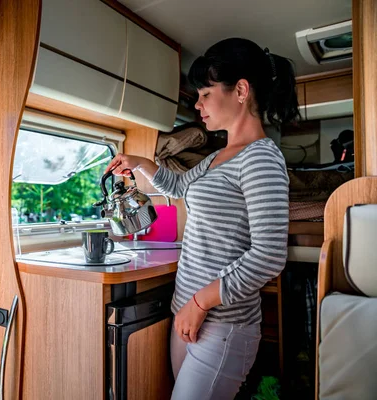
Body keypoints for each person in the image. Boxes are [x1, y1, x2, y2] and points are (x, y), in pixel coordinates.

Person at [104, 38, 298, 400]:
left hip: (222, 325)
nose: (198, 104)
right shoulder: (219, 156)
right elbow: (178, 187)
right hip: (189, 316)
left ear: (240, 90)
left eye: (205, 93)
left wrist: (199, 303)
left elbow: (270, 255)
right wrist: (142, 163)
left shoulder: (261, 158)